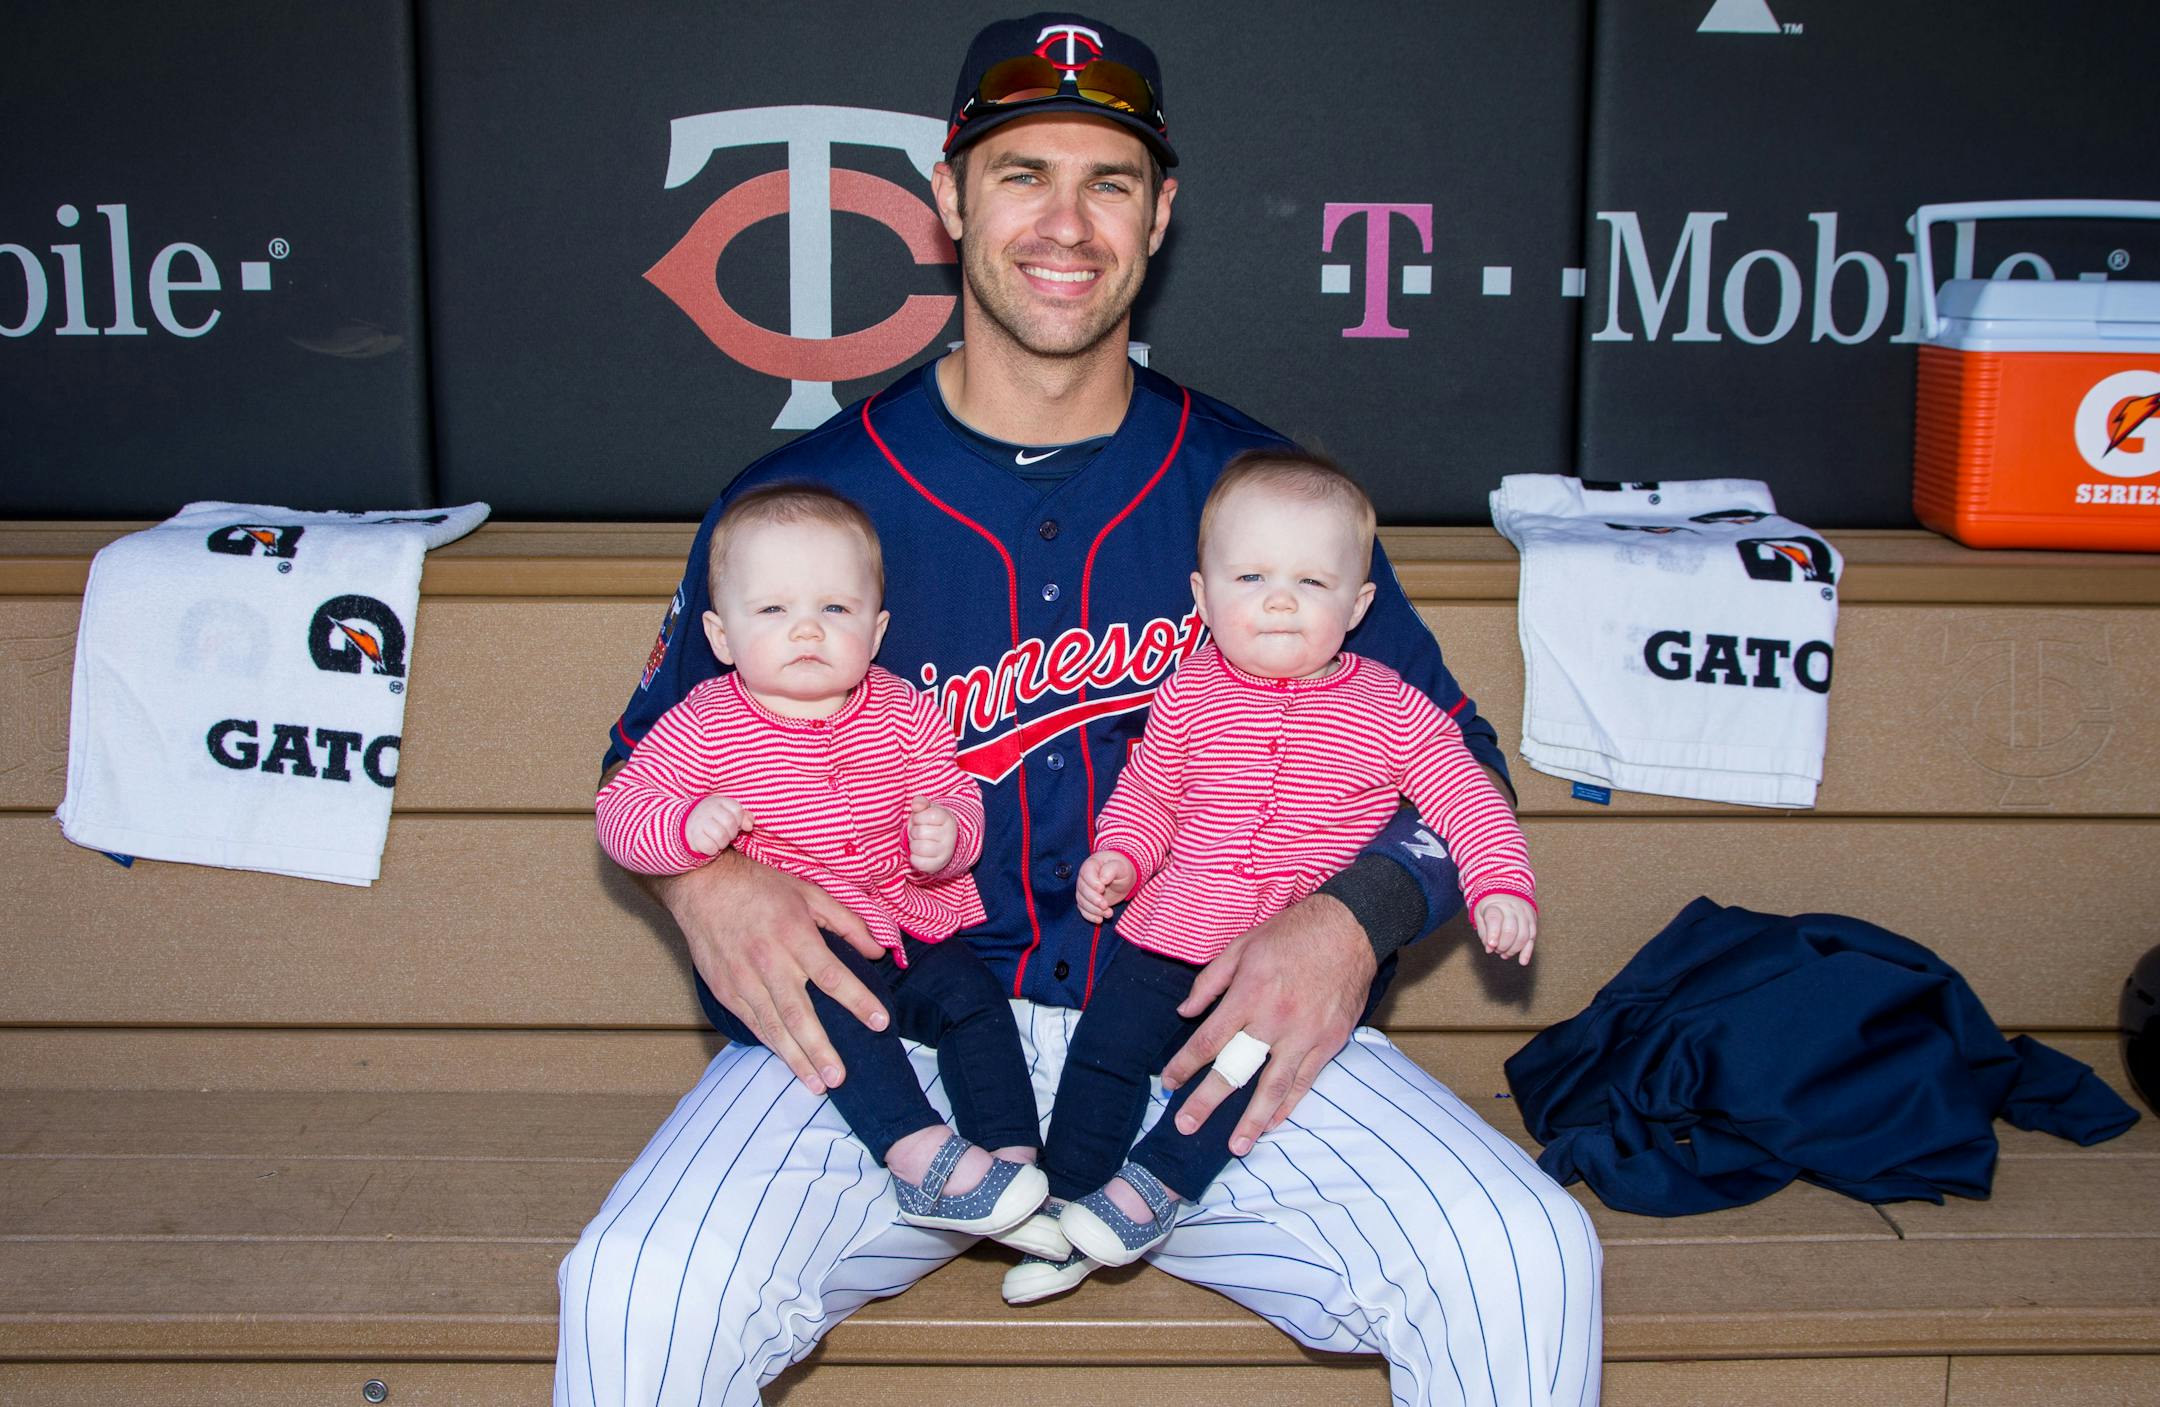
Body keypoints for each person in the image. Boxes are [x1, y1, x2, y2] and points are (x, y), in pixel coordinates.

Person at [557, 14, 1602, 1405]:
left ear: (1160, 214)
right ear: (946, 196)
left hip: (1204, 1011)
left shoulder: (1262, 495)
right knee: (638, 1285)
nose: (1065, 221)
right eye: (1020, 173)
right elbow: (647, 771)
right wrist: (708, 885)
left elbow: (1447, 765)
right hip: (887, 1015)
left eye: (1109, 181)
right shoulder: (805, 501)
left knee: (1523, 1251)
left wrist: (1351, 920)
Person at [1023, 450, 1539, 1289]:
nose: (1277, 599)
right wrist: (1119, 855)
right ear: (1201, 595)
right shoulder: (1187, 692)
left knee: (1239, 1076)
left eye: (1311, 582)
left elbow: (1467, 799)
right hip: (1173, 928)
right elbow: (1151, 795)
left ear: (1359, 605)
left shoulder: (1392, 707)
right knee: (1105, 1048)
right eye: (1252, 574)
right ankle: (1066, 1206)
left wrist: (1499, 882)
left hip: (1292, 964)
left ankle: (1152, 1188)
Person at [592, 485, 1055, 1247]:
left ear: (875, 631)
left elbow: (953, 793)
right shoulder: (704, 722)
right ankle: (917, 1153)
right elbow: (621, 812)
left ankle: (1011, 1156)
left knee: (973, 998)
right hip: (793, 946)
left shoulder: (904, 708)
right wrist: (682, 826)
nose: (806, 629)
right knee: (844, 1017)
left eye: (834, 610)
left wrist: (949, 835)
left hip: (904, 922)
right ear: (720, 632)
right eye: (772, 611)